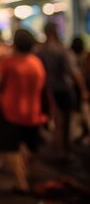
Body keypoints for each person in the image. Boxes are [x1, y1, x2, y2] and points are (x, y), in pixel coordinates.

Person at [0, 29, 47, 193]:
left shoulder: (8, 63)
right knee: (32, 146)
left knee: (11, 149)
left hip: (11, 111)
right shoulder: (37, 62)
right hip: (34, 112)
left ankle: (21, 183)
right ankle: (32, 176)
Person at [36, 23, 88, 158]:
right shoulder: (62, 50)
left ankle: (58, 149)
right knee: (65, 122)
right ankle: (63, 151)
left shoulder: (40, 51)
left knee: (56, 122)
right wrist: (83, 90)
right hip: (64, 89)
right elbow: (74, 72)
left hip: (48, 90)